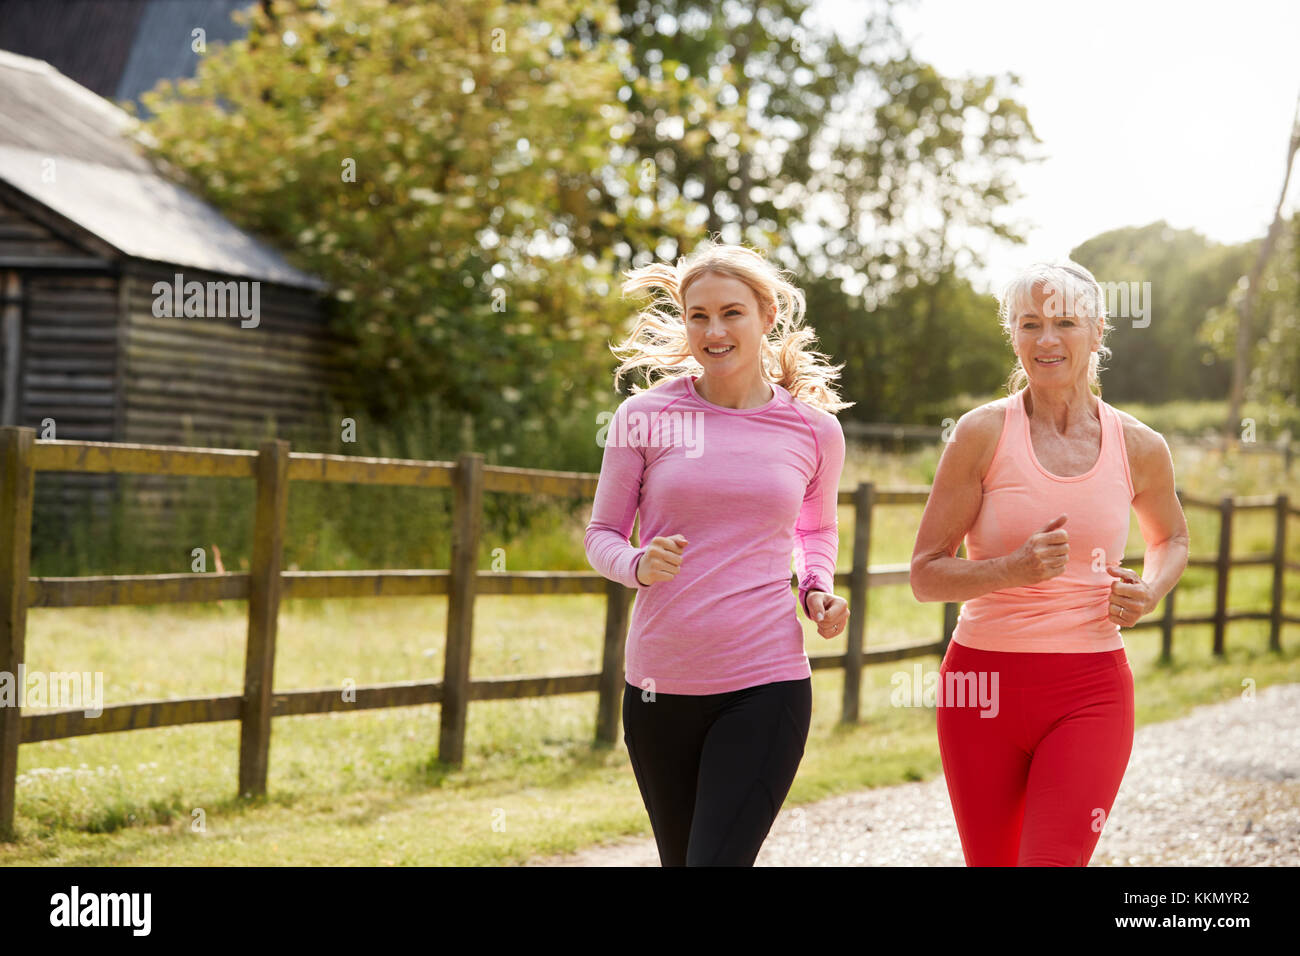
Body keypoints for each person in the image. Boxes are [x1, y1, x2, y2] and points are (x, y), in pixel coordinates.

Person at [910, 260, 1189, 866]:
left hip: (1090, 689)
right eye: (1029, 323)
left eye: (1064, 322)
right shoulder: (980, 434)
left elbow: (1172, 540)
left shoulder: (1139, 445)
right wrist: (1008, 570)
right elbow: (926, 574)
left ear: (1097, 329)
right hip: (980, 690)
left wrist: (1152, 591)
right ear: (1012, 333)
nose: (1046, 339)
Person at [584, 238, 851, 866]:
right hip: (658, 684)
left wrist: (816, 588)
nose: (714, 329)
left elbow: (815, 531)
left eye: (732, 312)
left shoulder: (814, 430)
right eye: (698, 315)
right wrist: (637, 563)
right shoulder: (643, 417)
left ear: (767, 317)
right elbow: (601, 534)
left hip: (765, 681)